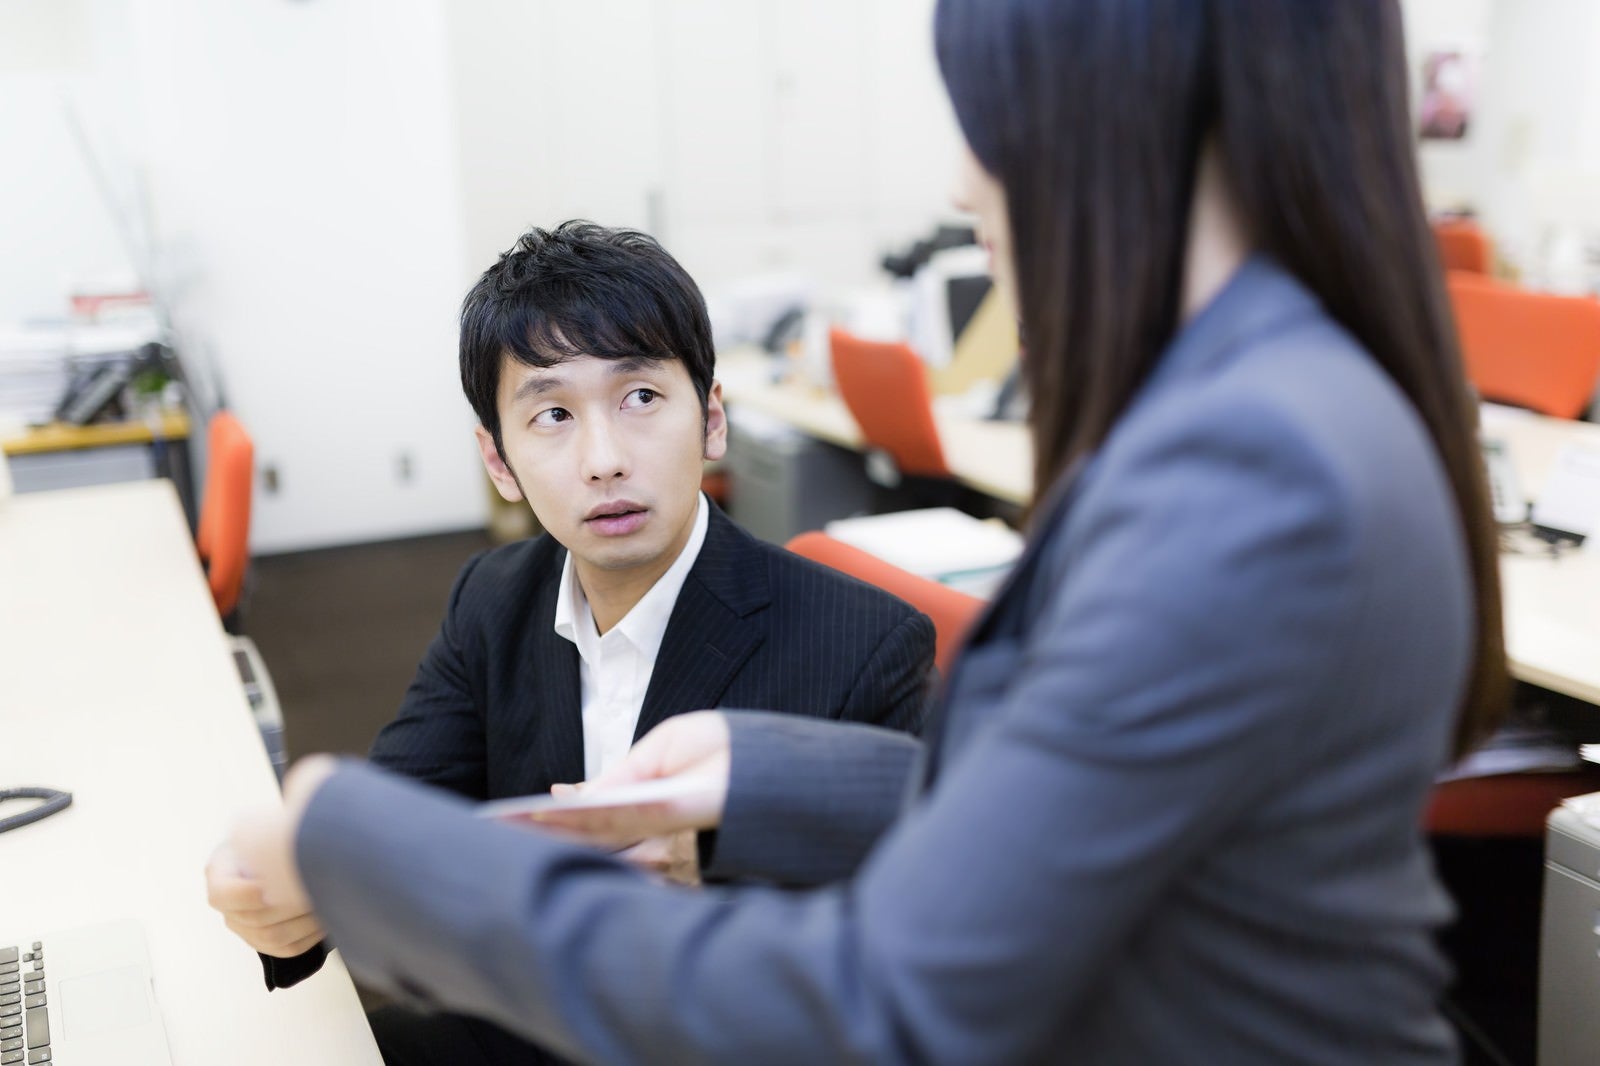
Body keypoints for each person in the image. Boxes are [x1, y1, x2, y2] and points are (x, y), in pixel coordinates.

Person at [229, 0, 1510, 1061]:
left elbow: (883, 1003)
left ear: (1107, 106)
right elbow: (1103, 806)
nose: (964, 178)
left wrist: (365, 849)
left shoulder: (1245, 474)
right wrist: (768, 779)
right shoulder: (1293, 401)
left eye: (984, 114)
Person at [207, 221, 936, 1064]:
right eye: (551, 414)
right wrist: (291, 904)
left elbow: (909, 946)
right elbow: (401, 809)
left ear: (711, 421)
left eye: (641, 399)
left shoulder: (864, 646)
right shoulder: (492, 599)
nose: (602, 460)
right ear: (499, 462)